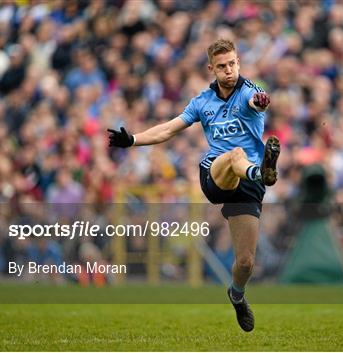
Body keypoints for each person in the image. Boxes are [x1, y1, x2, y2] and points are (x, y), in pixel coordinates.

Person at [107, 39, 280, 332]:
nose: (229, 71)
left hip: (246, 184)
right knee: (235, 155)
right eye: (222, 66)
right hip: (216, 174)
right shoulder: (202, 102)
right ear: (211, 69)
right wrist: (134, 139)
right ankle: (259, 172)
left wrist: (262, 102)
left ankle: (236, 295)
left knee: (246, 262)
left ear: (239, 63)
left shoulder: (249, 91)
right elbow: (169, 129)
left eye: (233, 64)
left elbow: (258, 100)